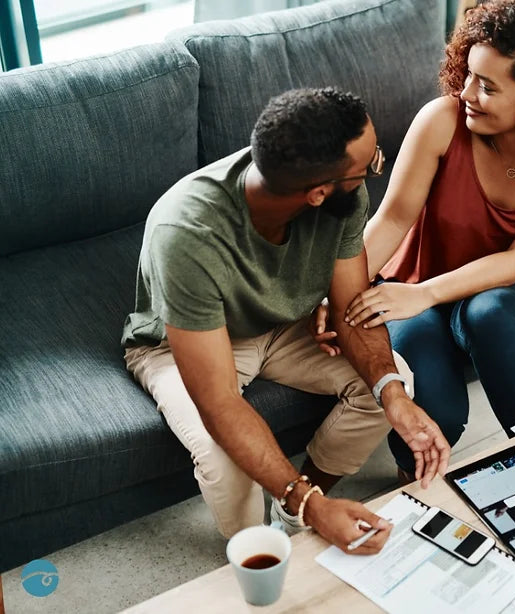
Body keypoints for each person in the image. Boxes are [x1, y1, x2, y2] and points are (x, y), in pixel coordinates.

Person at [121, 87, 450, 554]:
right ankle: (256, 550)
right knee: (225, 459)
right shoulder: (187, 235)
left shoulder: (340, 198)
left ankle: (294, 512)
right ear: (317, 193)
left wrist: (394, 400)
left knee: (395, 385)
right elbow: (219, 404)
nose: (375, 170)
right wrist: (312, 506)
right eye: (370, 165)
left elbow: (351, 307)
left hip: (282, 325)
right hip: (179, 345)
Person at [315, 0, 515, 480]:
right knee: (442, 414)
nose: (467, 94)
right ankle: (413, 485)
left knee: (491, 313)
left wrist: (426, 294)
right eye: (468, 75)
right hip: (408, 284)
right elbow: (392, 219)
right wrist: (338, 295)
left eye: (487, 86)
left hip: (494, 292)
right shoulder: (442, 120)